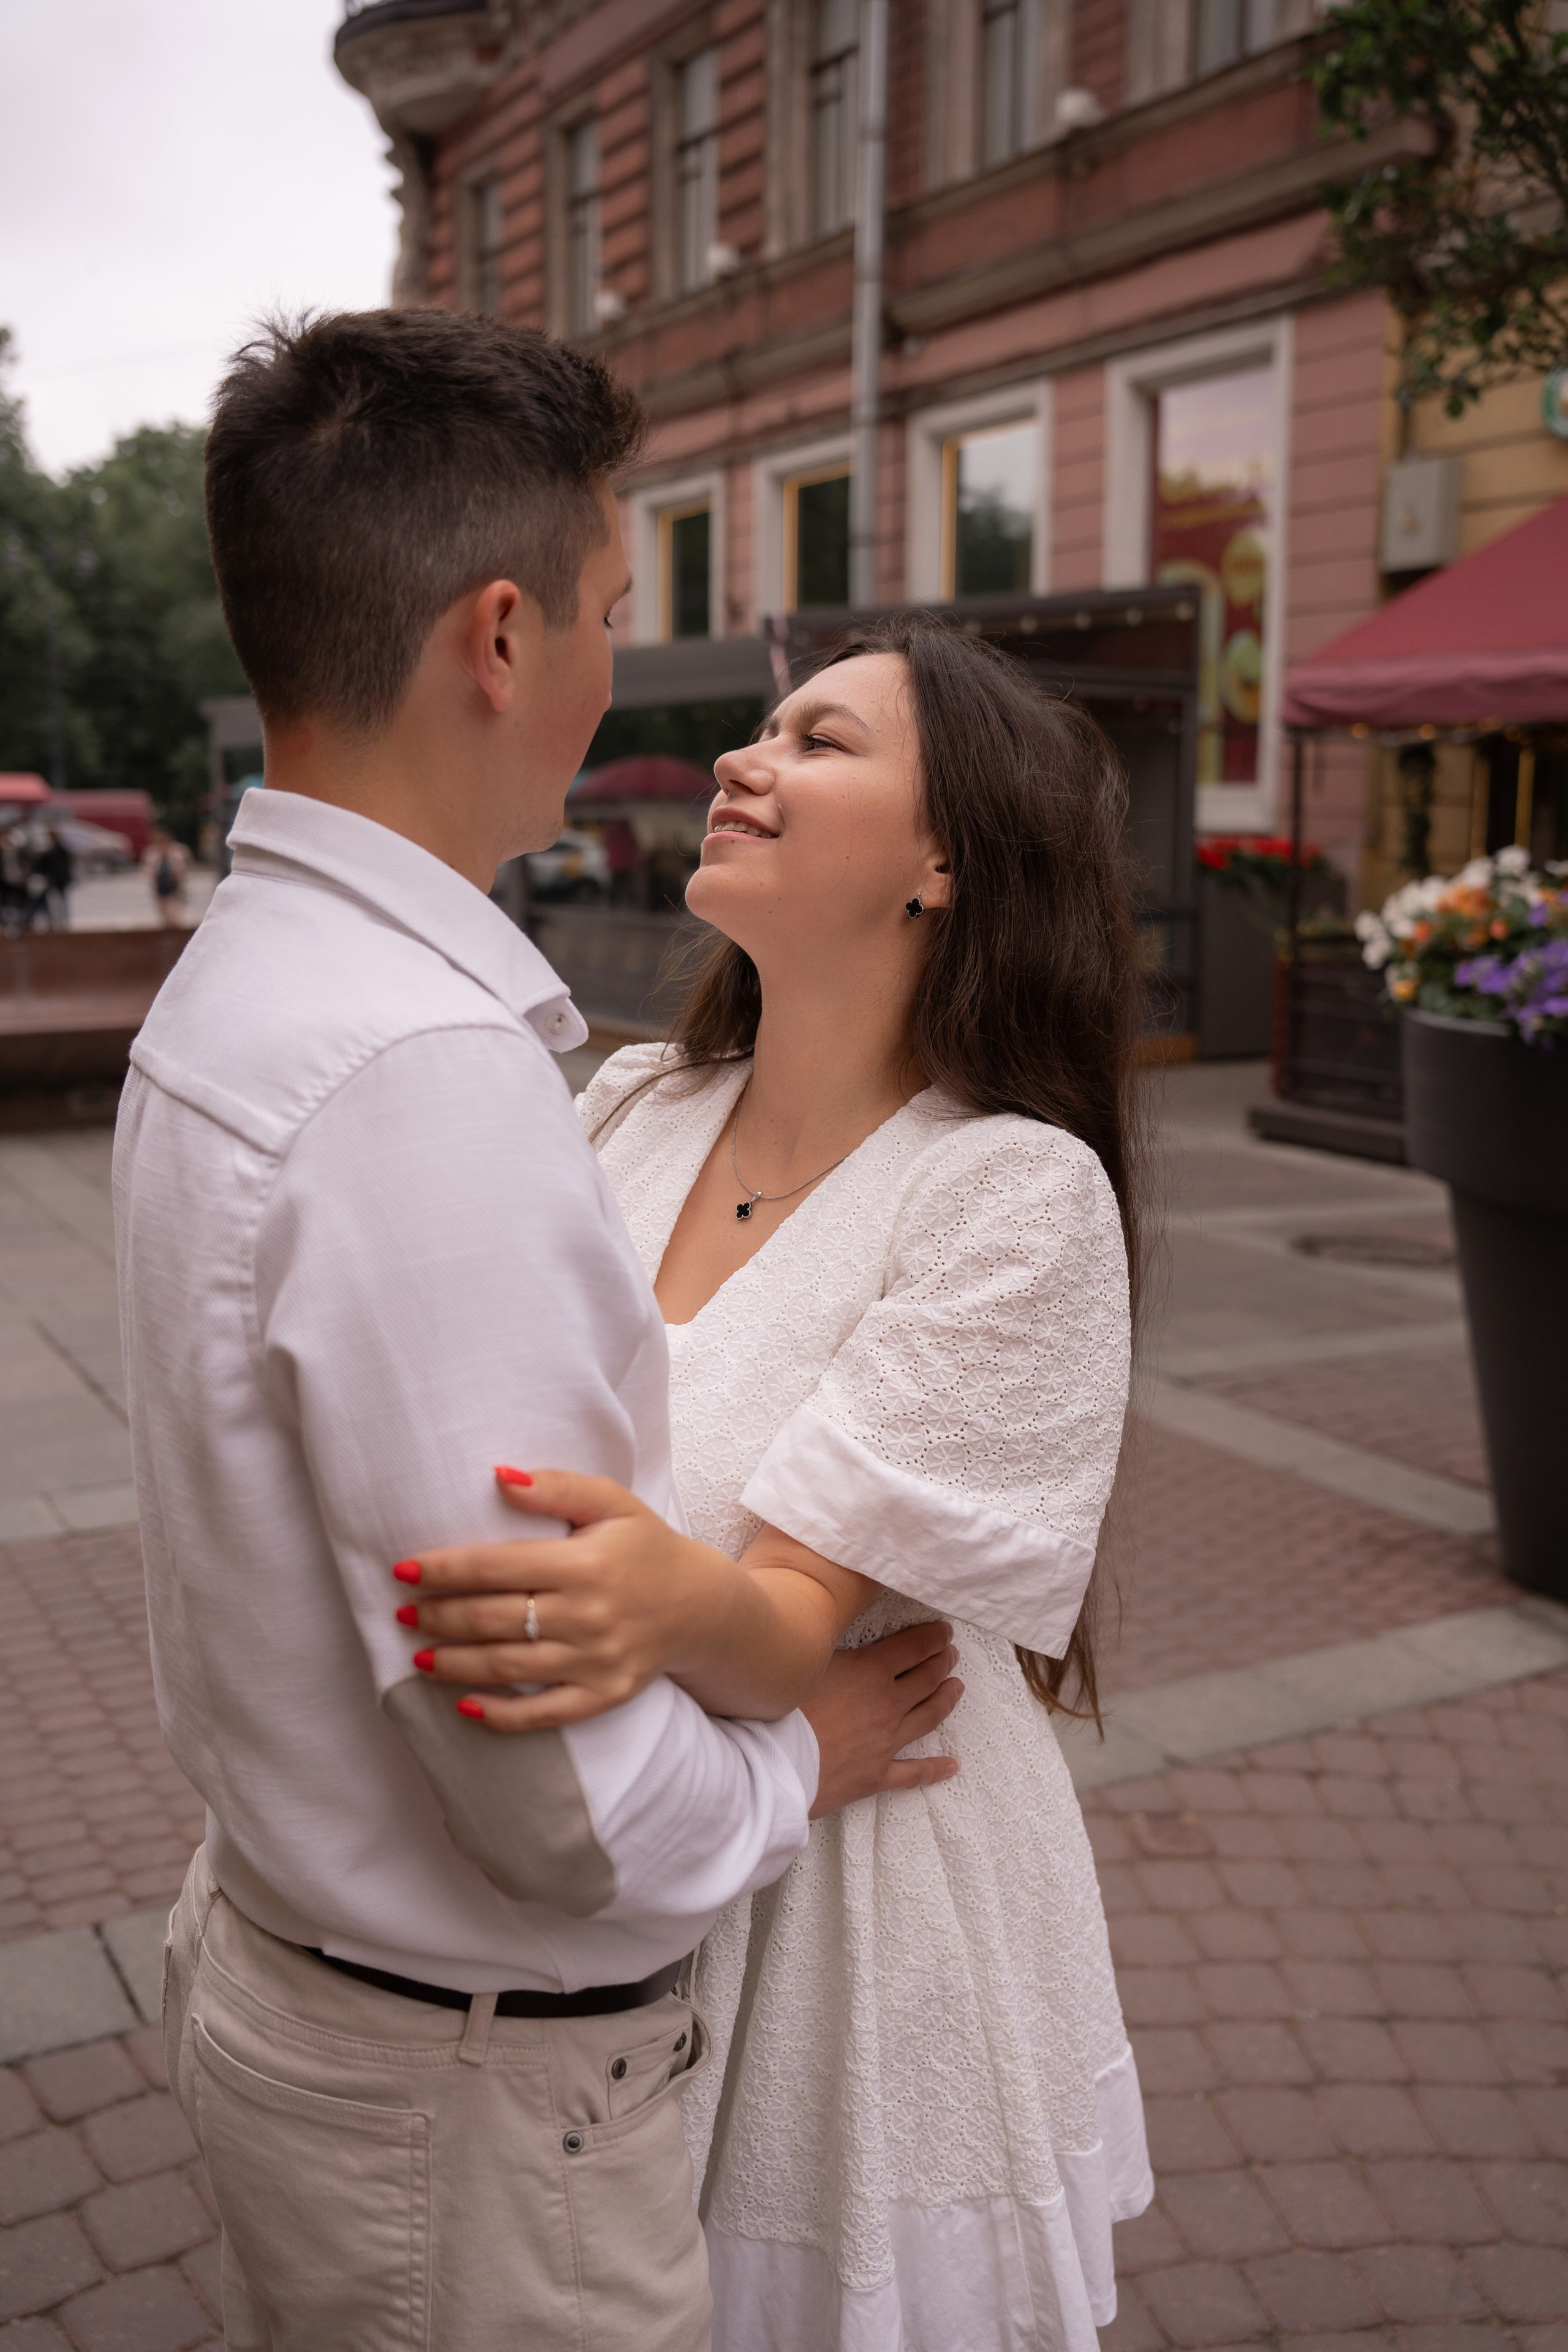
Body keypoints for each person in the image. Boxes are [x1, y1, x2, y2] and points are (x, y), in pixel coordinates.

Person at [115, 310, 957, 2352]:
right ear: (498, 639)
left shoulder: (252, 985)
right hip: (469, 2118)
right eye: (603, 605)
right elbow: (562, 1798)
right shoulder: (410, 1070)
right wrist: (804, 1766)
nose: (607, 657)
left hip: (342, 2015)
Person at [402, 616, 1155, 2349]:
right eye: (761, 733)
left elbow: (787, 1631)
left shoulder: (1006, 1195)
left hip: (859, 1912)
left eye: (820, 742)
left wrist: (659, 1598)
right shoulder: (629, 1105)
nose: (747, 762)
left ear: (946, 863)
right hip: (615, 1845)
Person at [141, 825, 189, 926]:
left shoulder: (178, 851)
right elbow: (148, 869)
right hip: (160, 886)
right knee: (163, 914)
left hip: (175, 886)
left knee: (174, 913)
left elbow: (185, 866)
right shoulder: (152, 852)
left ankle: (174, 929)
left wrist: (178, 874)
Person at [34, 824, 73, 929]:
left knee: (55, 902)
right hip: (58, 879)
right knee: (57, 901)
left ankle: (58, 922)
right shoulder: (61, 850)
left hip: (56, 880)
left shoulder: (54, 851)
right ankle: (58, 922)